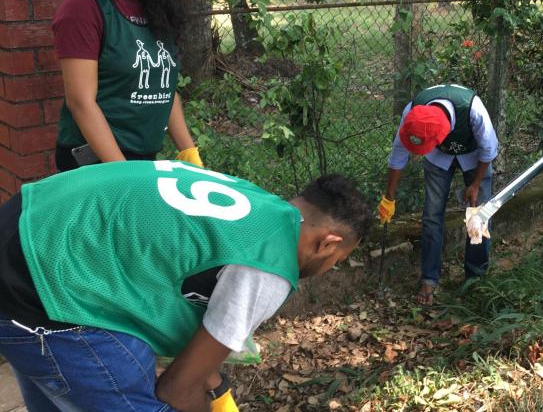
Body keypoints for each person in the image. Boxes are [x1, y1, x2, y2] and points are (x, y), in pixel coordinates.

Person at [0, 160, 372, 411]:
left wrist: (215, 386)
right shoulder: (272, 265)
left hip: (29, 225)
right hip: (42, 282)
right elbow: (177, 388)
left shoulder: (259, 207)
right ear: (328, 244)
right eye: (335, 263)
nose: (328, 270)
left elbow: (202, 336)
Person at [52, 0, 201, 171]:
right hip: (95, 162)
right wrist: (124, 175)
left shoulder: (158, 6)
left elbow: (163, 89)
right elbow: (81, 102)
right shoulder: (84, 8)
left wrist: (188, 151)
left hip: (140, 159)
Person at [378, 84, 498, 305]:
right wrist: (389, 198)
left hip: (474, 157)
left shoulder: (473, 110)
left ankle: (475, 276)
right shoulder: (413, 113)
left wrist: (476, 184)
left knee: (477, 216)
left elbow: (489, 149)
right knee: (432, 216)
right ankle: (429, 278)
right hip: (438, 159)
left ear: (444, 134)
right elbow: (398, 154)